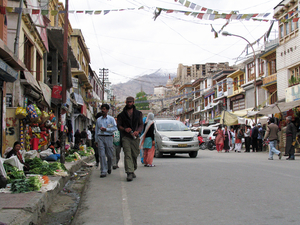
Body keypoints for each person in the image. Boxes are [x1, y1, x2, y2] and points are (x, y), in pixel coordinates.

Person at [117, 96, 143, 182]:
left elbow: (141, 125)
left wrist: (138, 131)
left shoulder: (138, 113)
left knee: (134, 155)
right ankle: (129, 172)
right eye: (128, 102)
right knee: (127, 154)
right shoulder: (121, 115)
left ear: (133, 102)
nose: (129, 103)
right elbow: (119, 126)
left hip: (135, 137)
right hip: (126, 137)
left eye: (131, 102)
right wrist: (124, 129)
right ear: (126, 102)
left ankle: (132, 169)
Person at [95, 104, 117, 178]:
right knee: (101, 155)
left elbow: (115, 128)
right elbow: (96, 130)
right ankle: (103, 170)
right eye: (102, 109)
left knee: (110, 155)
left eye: (104, 109)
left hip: (109, 137)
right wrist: (96, 140)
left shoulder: (111, 119)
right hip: (100, 137)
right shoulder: (98, 120)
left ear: (107, 110)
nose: (103, 110)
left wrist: (106, 129)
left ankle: (108, 166)